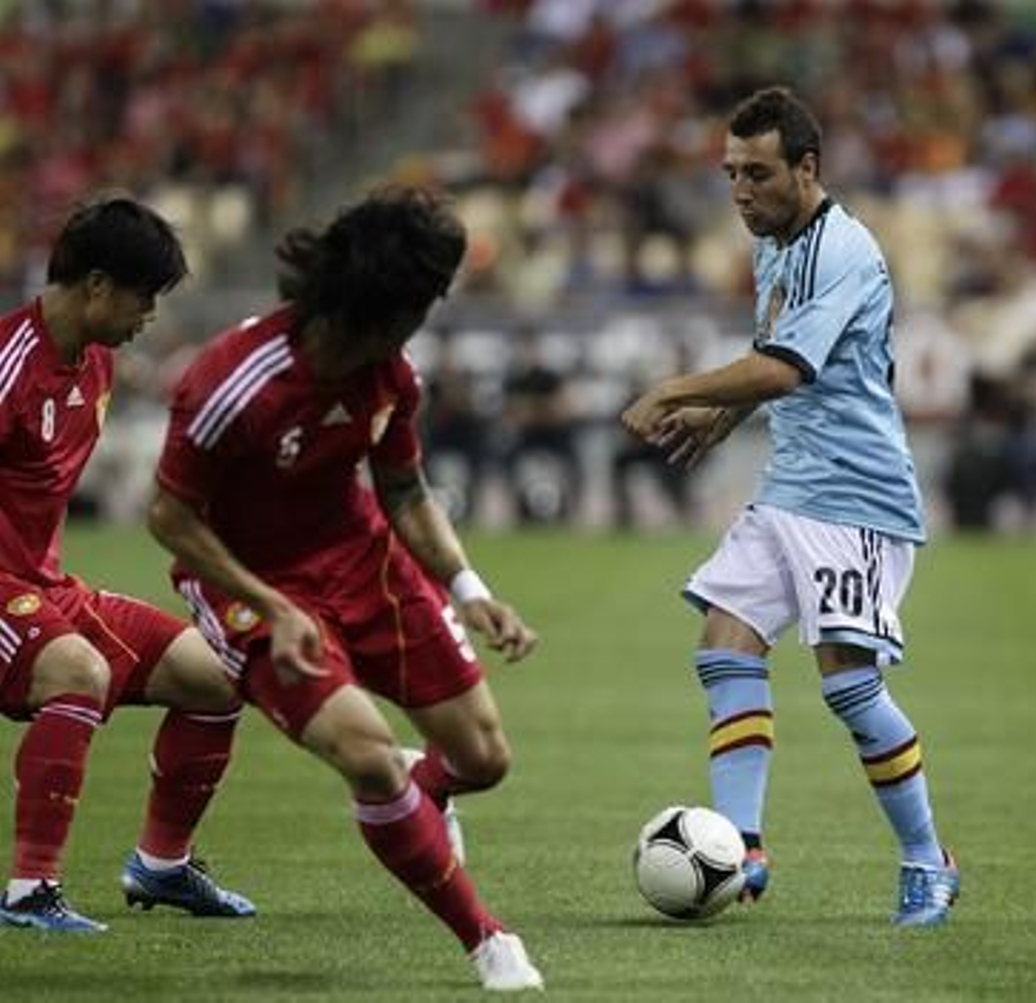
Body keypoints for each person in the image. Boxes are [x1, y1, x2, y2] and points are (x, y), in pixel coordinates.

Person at [145, 188, 543, 990]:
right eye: (423, 304)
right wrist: (274, 603)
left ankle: (422, 799)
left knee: (484, 756)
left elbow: (403, 489)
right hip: (250, 586)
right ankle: (488, 940)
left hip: (362, 560)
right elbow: (169, 516)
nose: (425, 322)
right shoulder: (233, 381)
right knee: (368, 757)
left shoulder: (390, 374)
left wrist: (466, 586)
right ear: (383, 305)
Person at [621, 86, 958, 927]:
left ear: (807, 168)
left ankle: (929, 858)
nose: (739, 191)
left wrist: (676, 389)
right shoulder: (777, 243)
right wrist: (722, 415)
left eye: (758, 173)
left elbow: (785, 369)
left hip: (858, 499)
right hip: (792, 488)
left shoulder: (840, 249)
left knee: (849, 686)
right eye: (730, 173)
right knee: (724, 643)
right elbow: (775, 358)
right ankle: (741, 844)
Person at [0, 194, 254, 932]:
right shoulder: (11, 365)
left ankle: (162, 865)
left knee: (218, 672)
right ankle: (28, 890)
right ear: (99, 285)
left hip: (43, 585)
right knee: (79, 671)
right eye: (145, 297)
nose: (151, 315)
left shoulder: (98, 362)